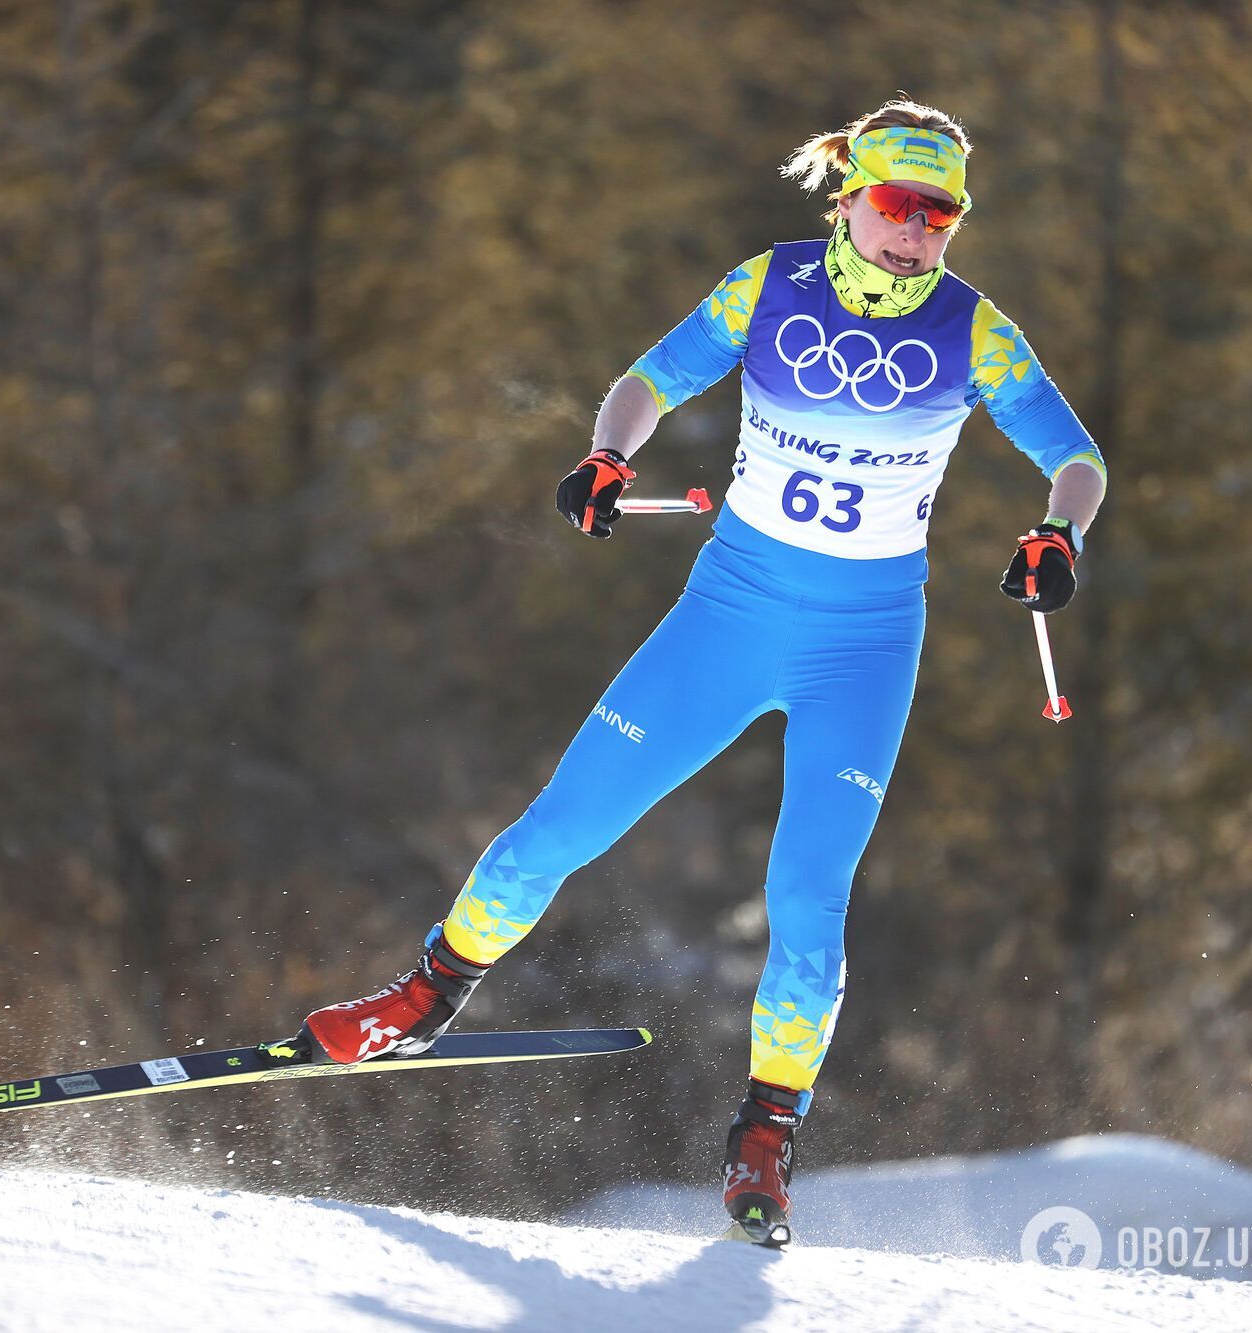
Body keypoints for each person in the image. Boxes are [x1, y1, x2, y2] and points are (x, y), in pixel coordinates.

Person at [298, 98, 1107, 1246]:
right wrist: (605, 453)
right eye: (895, 205)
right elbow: (645, 379)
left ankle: (766, 1139)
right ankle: (421, 998)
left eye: (941, 215)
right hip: (727, 617)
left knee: (806, 907)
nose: (916, 233)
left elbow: (1074, 457)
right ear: (849, 198)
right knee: (555, 830)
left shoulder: (975, 331)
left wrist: (1056, 534)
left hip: (865, 646)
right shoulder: (769, 286)